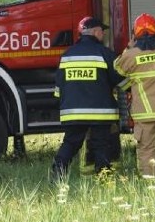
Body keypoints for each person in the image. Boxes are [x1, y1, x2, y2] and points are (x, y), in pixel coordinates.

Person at [50, 16, 124, 180]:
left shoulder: (67, 55)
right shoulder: (104, 53)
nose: (102, 35)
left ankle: (57, 175)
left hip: (73, 112)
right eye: (101, 32)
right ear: (96, 32)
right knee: (100, 145)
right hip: (100, 112)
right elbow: (120, 79)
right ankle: (104, 180)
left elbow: (58, 90)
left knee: (70, 144)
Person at [114, 13, 155, 178]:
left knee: (146, 150)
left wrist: (129, 47)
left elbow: (118, 68)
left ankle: (150, 185)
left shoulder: (131, 55)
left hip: (144, 113)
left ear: (135, 33)